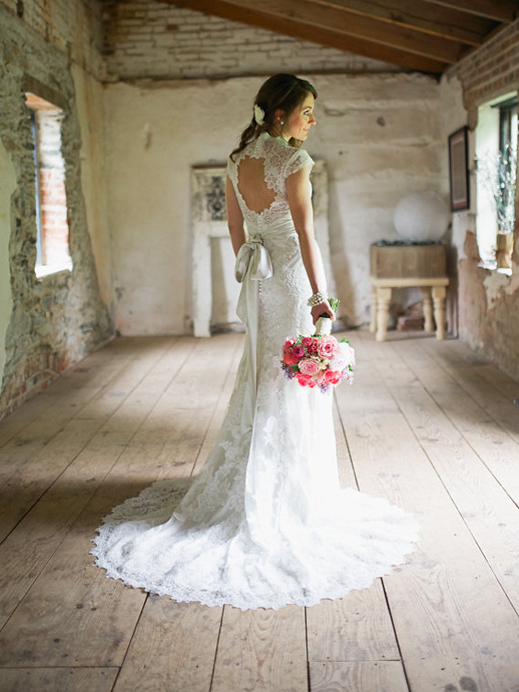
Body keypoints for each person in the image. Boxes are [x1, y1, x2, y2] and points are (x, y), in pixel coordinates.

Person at [92, 73, 418, 610]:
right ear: (278, 115)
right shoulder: (295, 163)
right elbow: (308, 234)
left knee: (266, 372)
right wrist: (320, 297)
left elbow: (238, 234)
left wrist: (251, 269)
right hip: (289, 278)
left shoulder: (236, 159)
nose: (313, 121)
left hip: (260, 281)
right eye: (306, 111)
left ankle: (253, 481)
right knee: (290, 378)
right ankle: (291, 495)